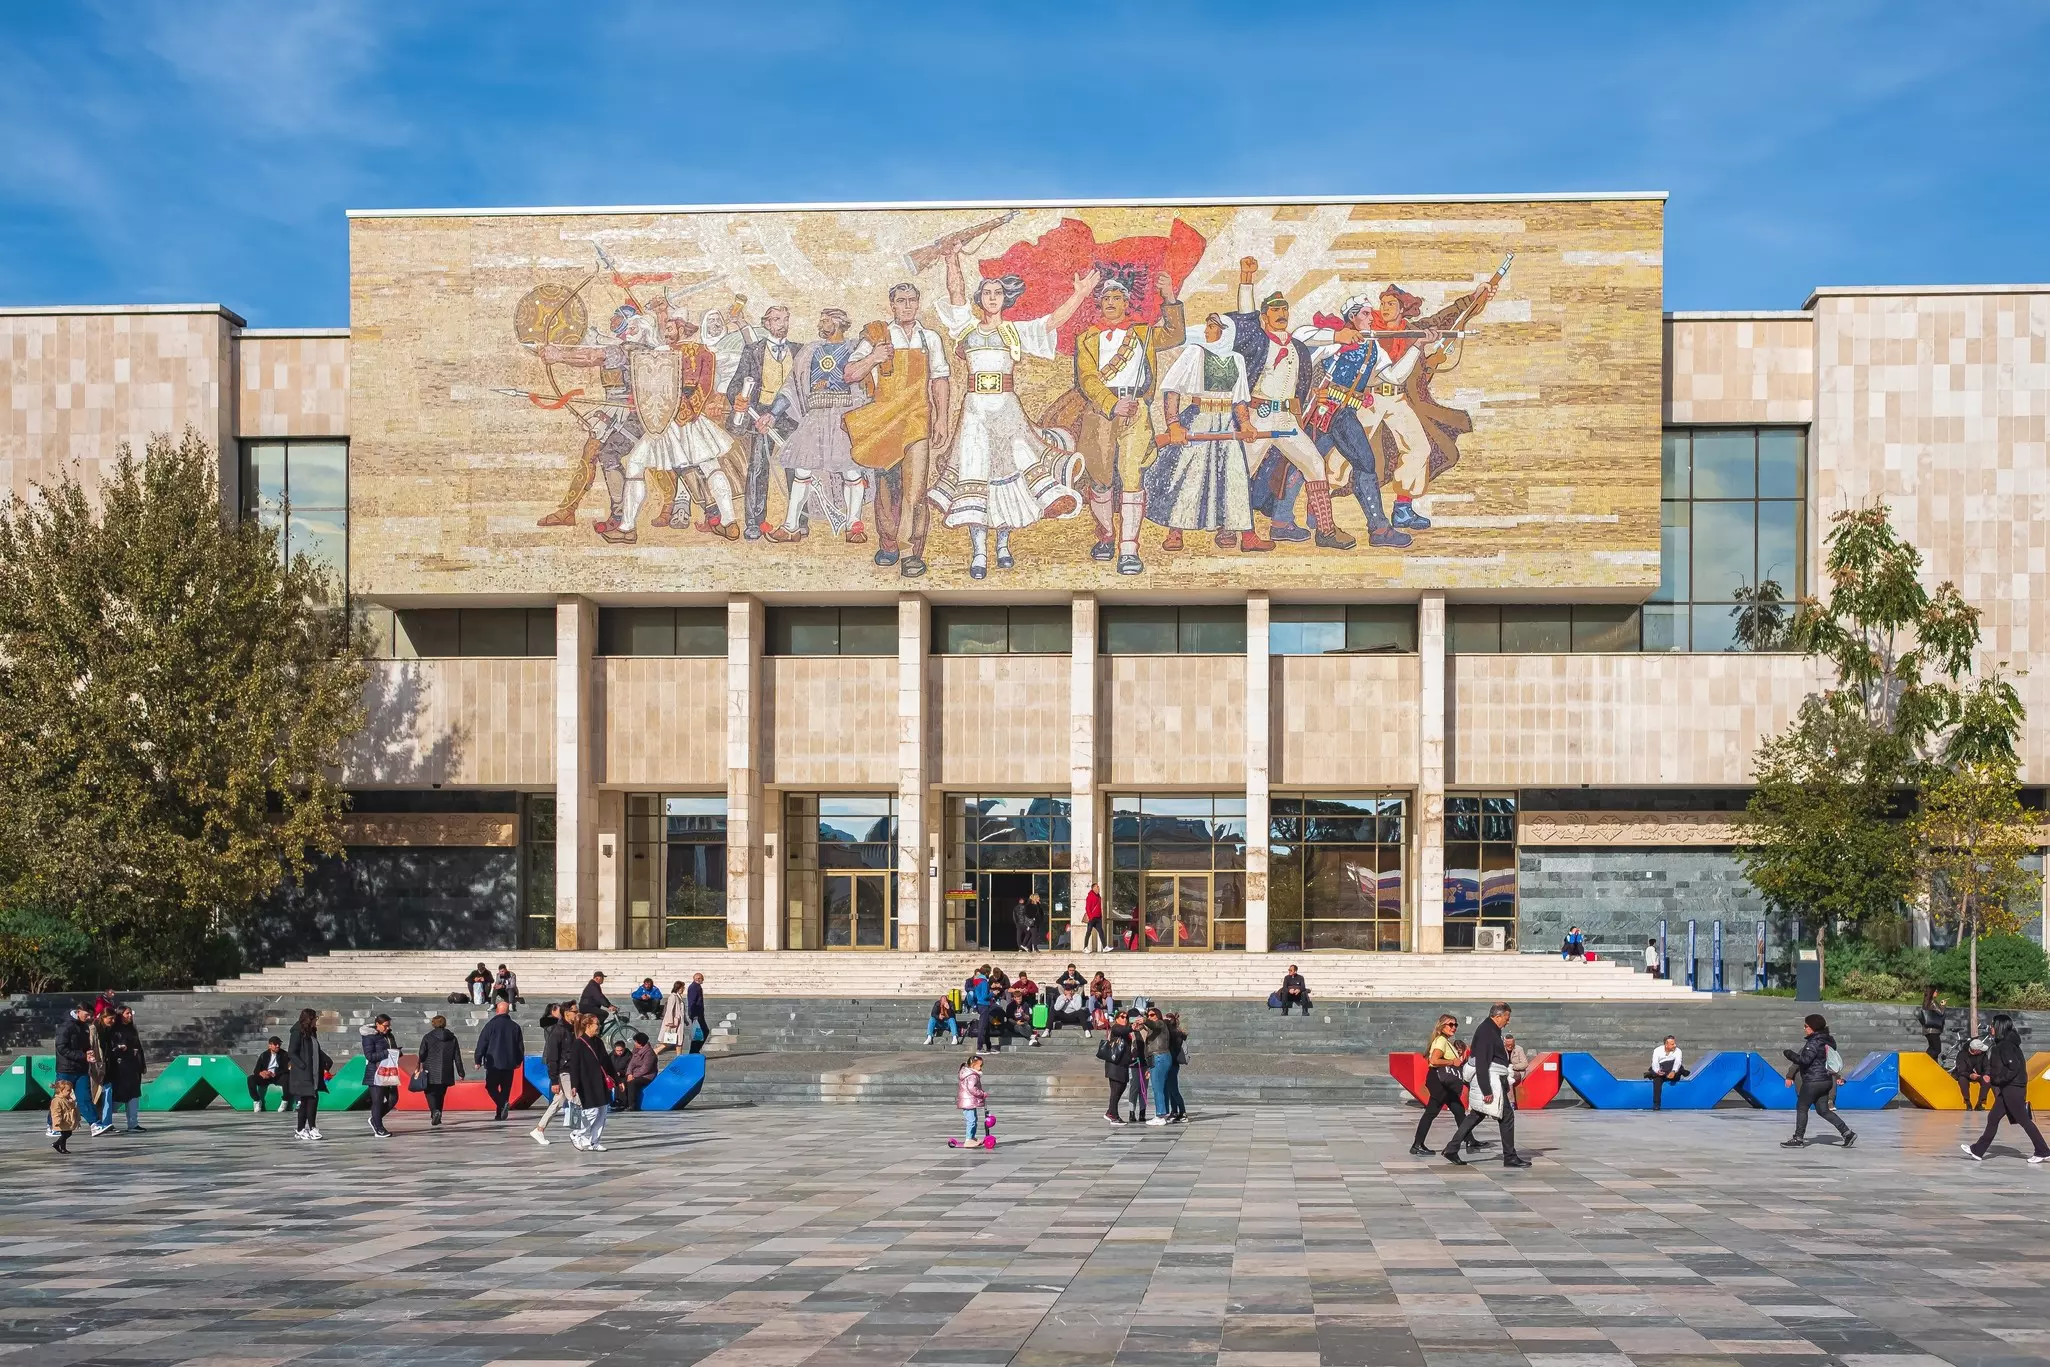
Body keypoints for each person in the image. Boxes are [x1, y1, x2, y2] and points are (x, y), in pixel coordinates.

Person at [929, 249, 1098, 577]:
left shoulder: (1014, 332)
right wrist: (951, 259)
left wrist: (1079, 295)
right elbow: (955, 292)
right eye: (987, 293)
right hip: (975, 412)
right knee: (975, 473)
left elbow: (1053, 322)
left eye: (998, 293)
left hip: (1007, 410)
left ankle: (1003, 543)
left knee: (1011, 473)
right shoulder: (967, 327)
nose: (992, 298)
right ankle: (979, 552)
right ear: (981, 299)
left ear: (1005, 300)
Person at [843, 282, 954, 576]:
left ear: (918, 304)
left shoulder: (930, 339)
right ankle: (889, 544)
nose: (907, 306)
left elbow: (940, 380)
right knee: (886, 488)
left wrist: (942, 418)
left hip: (918, 419)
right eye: (901, 301)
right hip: (885, 421)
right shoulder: (878, 336)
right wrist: (873, 358)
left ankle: (910, 551)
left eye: (912, 300)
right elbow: (850, 373)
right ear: (892, 305)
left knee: (915, 489)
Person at [1445, 1003, 1530, 1168]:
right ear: (1498, 1016)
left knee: (1477, 1114)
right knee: (1506, 1116)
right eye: (1506, 1017)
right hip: (1490, 1079)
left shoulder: (1491, 1029)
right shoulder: (1487, 1031)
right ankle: (1510, 1157)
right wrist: (1486, 1089)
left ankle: (1452, 1148)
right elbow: (1482, 1062)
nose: (1507, 1021)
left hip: (1493, 1078)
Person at [1960, 1014, 2050, 1163]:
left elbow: (2013, 1067)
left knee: (2023, 1120)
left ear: (2000, 1026)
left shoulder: (2006, 1045)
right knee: (1993, 1117)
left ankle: (2042, 1150)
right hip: (2008, 1088)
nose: (1991, 1028)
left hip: (2013, 1088)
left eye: (1993, 1025)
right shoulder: (2005, 1043)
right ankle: (1978, 1150)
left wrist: (1995, 1079)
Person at [1781, 1013, 1856, 1149]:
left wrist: (1789, 1054)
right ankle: (1847, 1132)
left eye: (1806, 1026)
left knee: (1802, 1107)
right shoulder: (1827, 1041)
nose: (1804, 1028)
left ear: (1813, 1027)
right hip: (1826, 1080)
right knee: (1823, 1110)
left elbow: (1805, 1060)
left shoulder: (1814, 1042)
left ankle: (1798, 1138)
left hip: (1813, 1081)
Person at [1412, 1014, 1472, 1156]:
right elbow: (1434, 1060)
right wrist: (1452, 1062)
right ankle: (1417, 1145)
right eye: (1450, 1024)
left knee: (1458, 1110)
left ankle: (1470, 1139)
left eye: (1455, 1025)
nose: (1454, 1027)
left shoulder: (1445, 1041)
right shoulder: (1441, 1041)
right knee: (1431, 1113)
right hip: (1440, 1082)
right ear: (1441, 1026)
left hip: (1443, 1083)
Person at [530, 1003, 578, 1146]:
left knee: (558, 1102)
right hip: (563, 1070)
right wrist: (554, 1080)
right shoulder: (558, 1031)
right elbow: (553, 1057)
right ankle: (578, 1133)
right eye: (575, 1011)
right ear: (567, 1013)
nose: (577, 1013)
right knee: (576, 1100)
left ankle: (540, 1129)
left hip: (569, 1069)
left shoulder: (572, 1030)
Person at [567, 1014, 614, 1151]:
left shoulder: (598, 1042)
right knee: (592, 1111)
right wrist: (574, 1084)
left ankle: (595, 1142)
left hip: (601, 1082)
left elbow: (606, 1061)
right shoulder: (578, 1043)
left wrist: (615, 1079)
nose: (598, 1027)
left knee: (602, 1112)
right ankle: (577, 1133)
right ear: (588, 1026)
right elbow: (574, 1066)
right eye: (596, 1024)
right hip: (587, 1082)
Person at [474, 1000, 525, 1121]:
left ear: (497, 1011)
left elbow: (482, 1043)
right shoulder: (515, 1026)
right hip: (509, 1063)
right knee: (505, 1089)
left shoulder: (490, 1025)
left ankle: (502, 1105)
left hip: (494, 1063)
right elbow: (520, 1047)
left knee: (491, 1087)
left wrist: (478, 1060)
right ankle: (500, 1113)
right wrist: (518, 1061)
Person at [51, 1004, 93, 1140]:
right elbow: (61, 1048)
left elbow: (85, 1046)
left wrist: (89, 1053)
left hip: (81, 1069)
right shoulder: (65, 1027)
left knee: (85, 1097)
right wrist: (82, 1056)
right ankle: (52, 1125)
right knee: (60, 1099)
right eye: (86, 1014)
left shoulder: (85, 1027)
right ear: (78, 1011)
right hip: (66, 1069)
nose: (89, 1017)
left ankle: (95, 1123)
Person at [415, 1014, 465, 1126]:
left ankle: (435, 1112)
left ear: (433, 1024)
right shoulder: (452, 1038)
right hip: (446, 1070)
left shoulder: (428, 1037)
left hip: (431, 1069)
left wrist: (420, 1062)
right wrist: (461, 1072)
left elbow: (422, 1053)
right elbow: (457, 1056)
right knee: (441, 1094)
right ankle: (438, 1114)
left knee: (429, 1092)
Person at [286, 1007, 329, 1141]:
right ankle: (305, 1128)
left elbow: (316, 1051)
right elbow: (292, 1052)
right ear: (309, 1019)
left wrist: (325, 1061)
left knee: (311, 1100)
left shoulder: (312, 1033)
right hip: (303, 1073)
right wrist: (303, 1065)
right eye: (315, 1018)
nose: (316, 1021)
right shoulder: (297, 1032)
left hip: (314, 1071)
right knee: (307, 1100)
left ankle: (309, 1128)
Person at [107, 1006, 146, 1133]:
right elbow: (111, 1050)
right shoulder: (115, 1030)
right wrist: (120, 1048)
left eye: (131, 1013)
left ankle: (133, 1124)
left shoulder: (132, 1029)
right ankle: (105, 1121)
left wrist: (142, 1064)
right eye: (127, 1013)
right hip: (120, 1067)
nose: (130, 1016)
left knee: (134, 1095)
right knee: (119, 1096)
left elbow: (139, 1048)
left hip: (133, 1067)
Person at [361, 1014, 400, 1139]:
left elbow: (392, 1050)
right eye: (385, 1026)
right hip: (375, 1072)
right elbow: (370, 1056)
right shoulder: (369, 1037)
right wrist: (387, 1053)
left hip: (389, 1071)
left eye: (389, 1026)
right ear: (377, 1024)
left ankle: (375, 1119)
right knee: (377, 1101)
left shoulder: (389, 1036)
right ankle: (379, 1127)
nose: (387, 1028)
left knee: (393, 1098)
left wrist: (397, 1053)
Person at [1102, 1010, 1136, 1126]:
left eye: (1126, 1017)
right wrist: (1133, 1027)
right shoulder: (1116, 1028)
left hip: (1122, 1064)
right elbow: (1123, 1030)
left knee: (1119, 1089)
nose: (1124, 1019)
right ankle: (1112, 1115)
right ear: (1116, 1018)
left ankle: (1111, 1112)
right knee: (1116, 1090)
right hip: (1115, 1065)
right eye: (1122, 1017)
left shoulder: (1125, 1032)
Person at [1142, 1006, 1174, 1125]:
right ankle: (1163, 1113)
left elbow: (1154, 1025)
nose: (1149, 1017)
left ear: (1158, 1015)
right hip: (1160, 1057)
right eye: (1148, 1015)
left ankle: (1160, 1115)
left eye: (1152, 1015)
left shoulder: (1160, 1023)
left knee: (1157, 1087)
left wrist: (1145, 1021)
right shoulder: (1155, 1028)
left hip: (1159, 1057)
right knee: (1162, 1087)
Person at [954, 1054, 991, 1148]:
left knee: (973, 1119)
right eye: (980, 1065)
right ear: (973, 1066)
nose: (981, 1067)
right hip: (968, 1101)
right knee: (972, 1120)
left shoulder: (969, 1074)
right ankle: (968, 1139)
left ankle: (972, 1137)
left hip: (969, 1101)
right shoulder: (972, 1076)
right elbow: (972, 1088)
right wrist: (982, 1093)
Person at [1646, 1036, 1690, 1110]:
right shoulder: (1657, 1050)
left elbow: (1677, 1062)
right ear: (1666, 1045)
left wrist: (1673, 1071)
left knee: (1676, 1067)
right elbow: (1655, 1063)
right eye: (1672, 1044)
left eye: (1674, 1043)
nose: (1675, 1045)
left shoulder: (1678, 1051)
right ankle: (1656, 1104)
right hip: (1662, 1070)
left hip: (1673, 1071)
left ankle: (1681, 1071)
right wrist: (1657, 1072)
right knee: (1656, 1079)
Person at [1123, 1008, 1151, 1123]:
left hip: (1145, 1062)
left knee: (1143, 1088)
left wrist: (1143, 1024)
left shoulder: (1144, 1029)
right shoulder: (1127, 1030)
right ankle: (1131, 1112)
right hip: (1133, 1063)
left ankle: (1142, 1113)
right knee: (1134, 1088)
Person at [249, 1036, 290, 1113]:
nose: (278, 1046)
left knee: (287, 1078)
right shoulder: (264, 1055)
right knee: (251, 1078)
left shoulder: (284, 1054)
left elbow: (287, 1069)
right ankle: (257, 1101)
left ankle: (285, 1101)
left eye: (279, 1044)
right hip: (266, 1077)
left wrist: (275, 1073)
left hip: (278, 1077)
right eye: (275, 1044)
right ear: (270, 1045)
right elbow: (256, 1070)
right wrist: (262, 1073)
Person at [1162, 1012, 1189, 1122]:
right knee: (1171, 1089)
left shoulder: (1173, 1033)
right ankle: (1175, 1112)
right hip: (1172, 1064)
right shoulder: (1175, 1032)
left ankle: (1182, 1113)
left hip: (1172, 1063)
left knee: (1174, 1090)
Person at [624, 1033, 658, 1111]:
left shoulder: (649, 1053)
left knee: (632, 1083)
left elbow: (645, 1069)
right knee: (622, 1080)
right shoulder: (636, 1050)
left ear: (640, 1043)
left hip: (647, 1076)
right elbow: (631, 1063)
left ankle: (632, 1105)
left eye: (636, 1042)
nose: (634, 1043)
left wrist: (633, 1076)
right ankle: (622, 1102)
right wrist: (629, 1074)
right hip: (634, 1074)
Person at [50, 1078, 79, 1155]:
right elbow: (56, 1112)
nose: (70, 1092)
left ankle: (63, 1148)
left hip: (68, 1120)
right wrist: (57, 1121)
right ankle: (57, 1144)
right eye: (68, 1090)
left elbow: (74, 1109)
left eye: (71, 1090)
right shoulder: (56, 1100)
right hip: (63, 1121)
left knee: (66, 1133)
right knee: (67, 1134)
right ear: (61, 1091)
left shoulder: (67, 1099)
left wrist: (71, 1102)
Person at [1916, 987, 1947, 1061]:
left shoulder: (1926, 1002)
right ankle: (1924, 1061)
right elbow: (1941, 1012)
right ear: (1932, 993)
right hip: (1933, 1030)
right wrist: (1943, 1005)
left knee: (1932, 1048)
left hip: (1927, 1030)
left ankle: (1934, 1066)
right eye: (1936, 991)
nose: (1937, 993)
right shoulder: (1932, 1001)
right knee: (1937, 1049)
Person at [659, 980, 689, 1053]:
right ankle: (654, 1052)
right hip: (673, 1024)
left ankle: (679, 1057)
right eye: (682, 987)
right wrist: (670, 1022)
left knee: (679, 1040)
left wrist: (685, 1020)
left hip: (678, 1022)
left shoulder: (678, 997)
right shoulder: (673, 997)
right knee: (667, 1042)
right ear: (678, 988)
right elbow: (670, 1010)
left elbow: (681, 1011)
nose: (683, 989)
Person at [686, 973, 709, 1054]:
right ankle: (694, 1051)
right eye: (698, 978)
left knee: (698, 1032)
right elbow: (692, 1002)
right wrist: (694, 1014)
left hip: (698, 1013)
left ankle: (694, 1051)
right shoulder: (694, 987)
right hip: (696, 1014)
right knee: (703, 1031)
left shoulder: (696, 987)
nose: (699, 980)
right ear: (694, 979)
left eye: (701, 978)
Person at [1083, 883, 1106, 952]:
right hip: (1092, 918)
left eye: (1098, 887)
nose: (1099, 888)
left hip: (1098, 918)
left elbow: (1099, 908)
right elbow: (1087, 908)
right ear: (1093, 888)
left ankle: (1105, 947)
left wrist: (1101, 916)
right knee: (1089, 932)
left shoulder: (1099, 897)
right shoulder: (1090, 896)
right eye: (1097, 887)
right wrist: (1090, 917)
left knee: (1101, 932)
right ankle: (1085, 947)